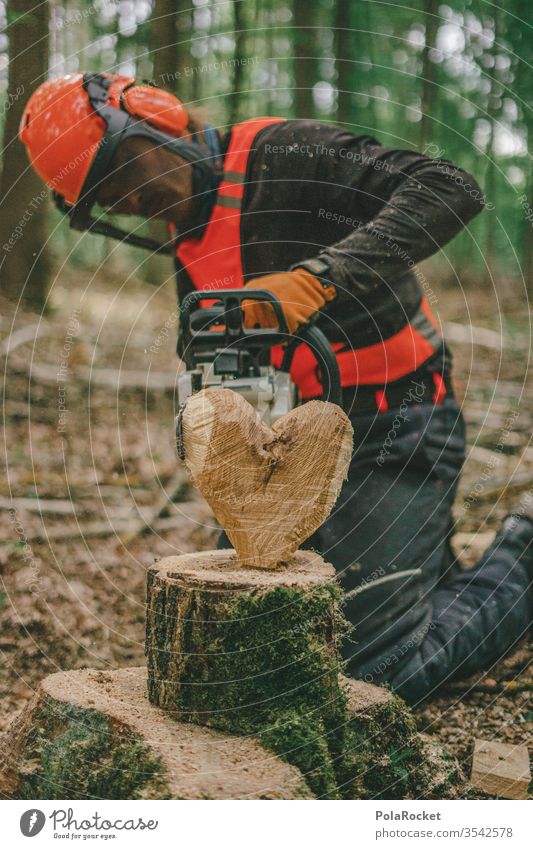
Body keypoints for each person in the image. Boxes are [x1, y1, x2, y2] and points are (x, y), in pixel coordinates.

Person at [20, 72, 533, 704]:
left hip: (397, 430)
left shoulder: (284, 156)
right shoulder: (190, 243)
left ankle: (522, 558)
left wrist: (321, 278)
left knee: (375, 673)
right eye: (105, 196)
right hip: (292, 455)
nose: (128, 199)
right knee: (240, 641)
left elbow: (450, 189)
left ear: (156, 118)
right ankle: (419, 578)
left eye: (120, 170)